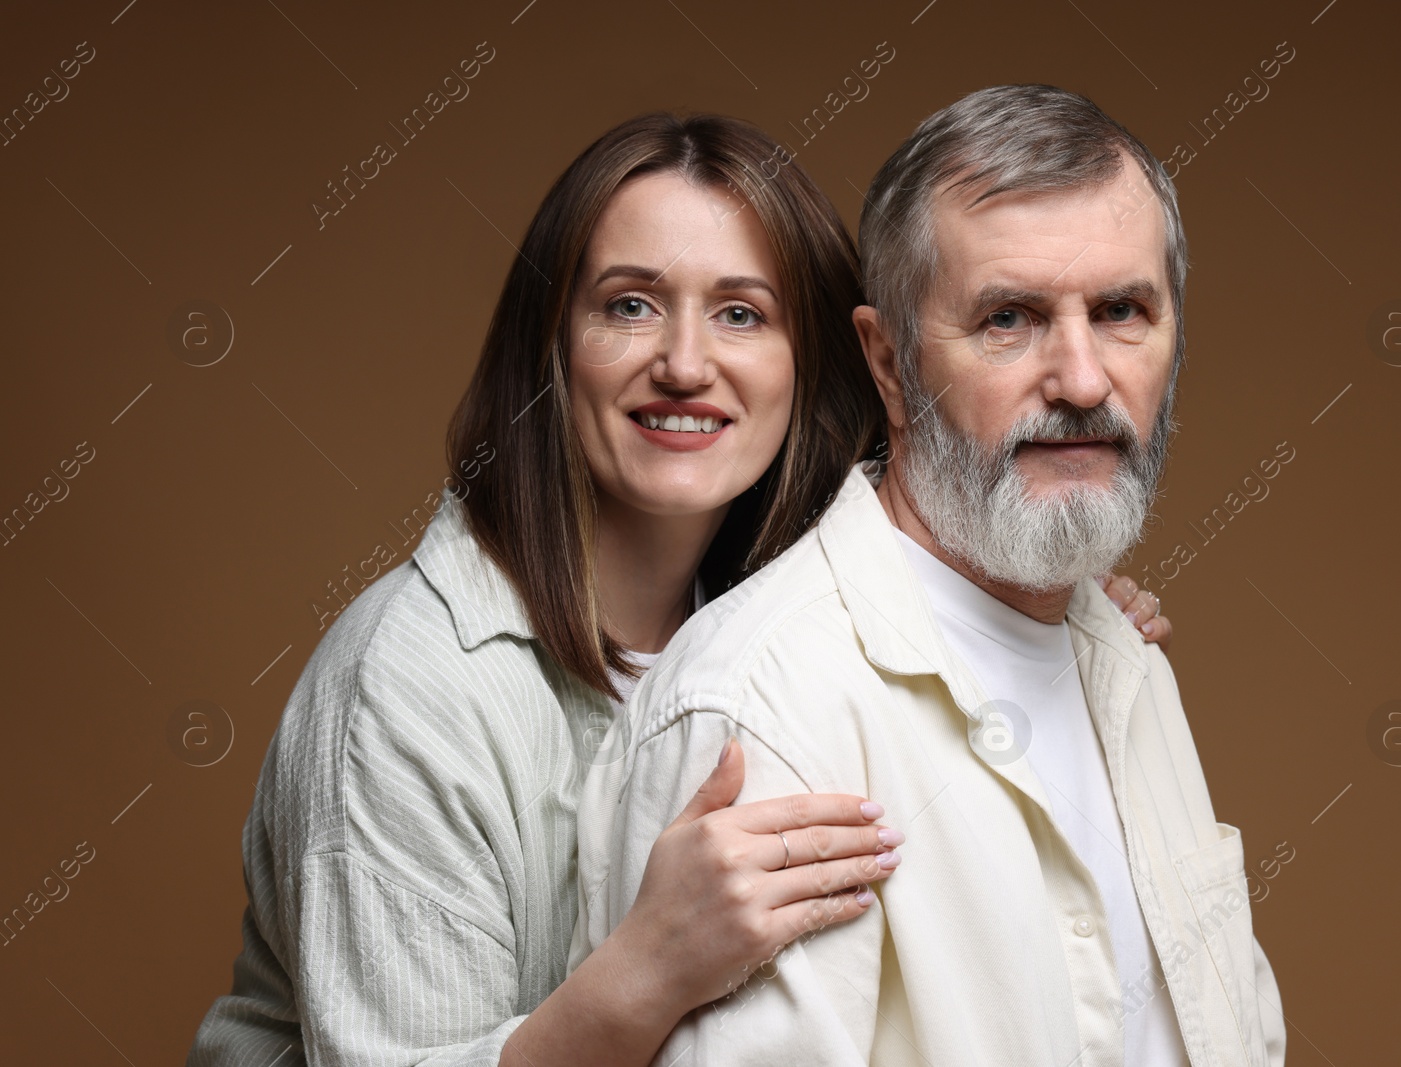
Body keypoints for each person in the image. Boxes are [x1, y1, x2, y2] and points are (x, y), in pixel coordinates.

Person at [187, 111, 1171, 1067]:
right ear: (551, 343)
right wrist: (646, 969)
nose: (685, 364)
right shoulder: (410, 685)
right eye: (628, 305)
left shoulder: (777, 626)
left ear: (821, 363)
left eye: (741, 313)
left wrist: (1045, 609)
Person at [574, 85, 1285, 1066]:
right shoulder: (770, 706)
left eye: (1121, 310)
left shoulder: (1128, 660)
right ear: (890, 362)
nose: (1081, 379)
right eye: (1008, 318)